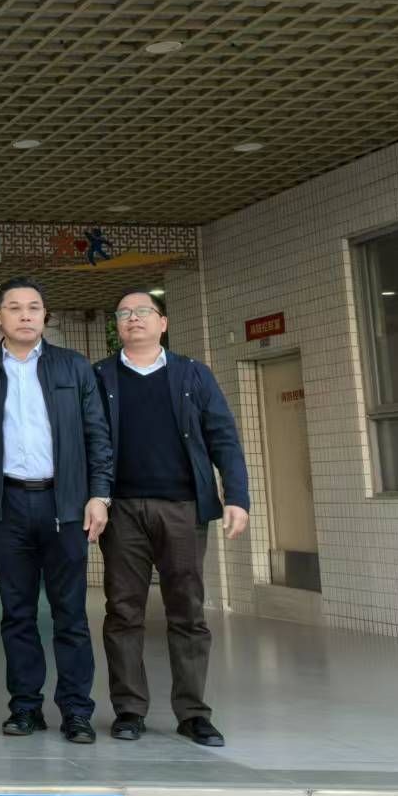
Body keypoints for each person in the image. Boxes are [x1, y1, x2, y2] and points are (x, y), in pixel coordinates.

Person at [95, 290, 250, 748]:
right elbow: (87, 440)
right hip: (122, 510)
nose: (134, 319)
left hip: (183, 508)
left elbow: (223, 436)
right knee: (123, 611)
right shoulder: (100, 376)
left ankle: (193, 713)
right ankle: (129, 709)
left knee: (187, 610)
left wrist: (237, 496)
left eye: (144, 312)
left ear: (162, 323)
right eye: (124, 313)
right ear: (117, 326)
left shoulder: (192, 373)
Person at [0, 277, 113, 744]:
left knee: (71, 614)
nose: (25, 315)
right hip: (7, 506)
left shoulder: (73, 366)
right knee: (17, 614)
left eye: (34, 307)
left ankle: (77, 711)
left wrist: (99, 494)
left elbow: (97, 434)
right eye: (14, 307)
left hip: (64, 504)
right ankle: (25, 707)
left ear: (45, 315)